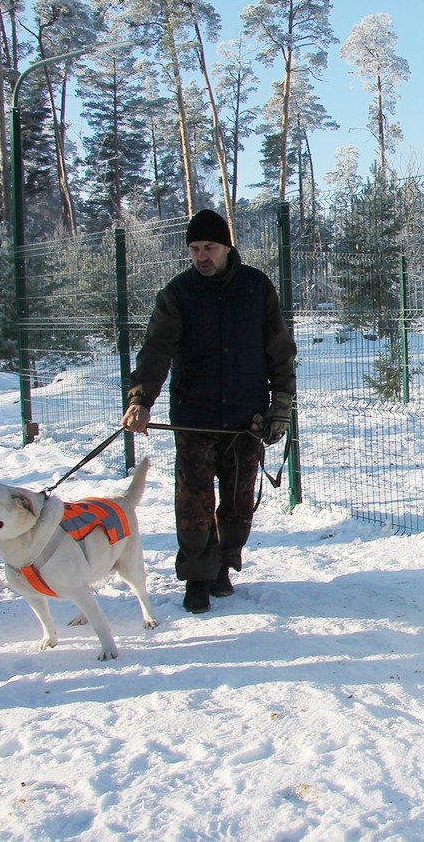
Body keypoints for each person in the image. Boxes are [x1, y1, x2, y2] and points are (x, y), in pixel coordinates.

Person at [121, 209, 297, 614]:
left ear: (227, 247)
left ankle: (223, 566)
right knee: (193, 502)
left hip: (245, 418)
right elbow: (156, 351)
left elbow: (279, 351)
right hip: (194, 416)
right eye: (195, 249)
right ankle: (198, 578)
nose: (202, 256)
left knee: (238, 503)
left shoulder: (257, 288)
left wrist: (281, 403)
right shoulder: (178, 293)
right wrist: (140, 401)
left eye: (210, 248)